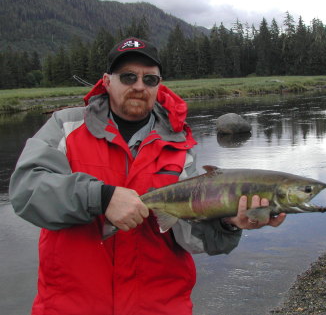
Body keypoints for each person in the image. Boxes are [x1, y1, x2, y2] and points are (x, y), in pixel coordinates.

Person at [9, 37, 286, 315]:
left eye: (149, 79)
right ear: (107, 81)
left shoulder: (181, 145)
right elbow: (26, 189)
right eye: (128, 77)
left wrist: (228, 222)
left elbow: (189, 236)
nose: (139, 86)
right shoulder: (66, 126)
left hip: (160, 307)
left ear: (159, 84)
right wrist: (101, 197)